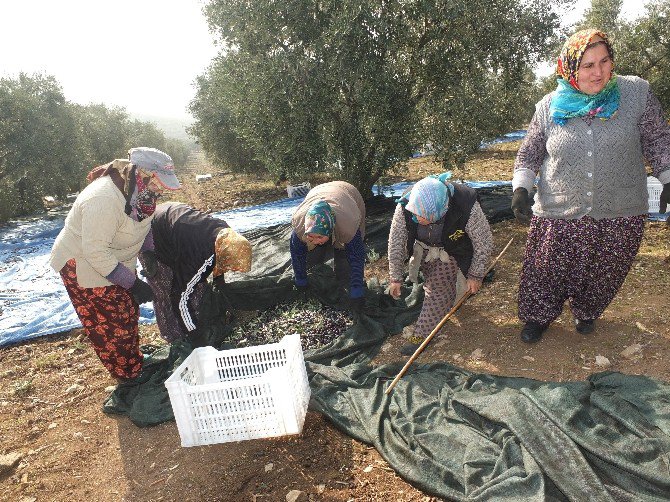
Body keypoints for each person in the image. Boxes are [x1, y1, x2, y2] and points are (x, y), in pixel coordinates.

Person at [511, 29, 670, 343]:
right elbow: (530, 152)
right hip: (559, 208)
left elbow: (658, 140)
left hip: (620, 208)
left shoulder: (636, 94)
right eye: (587, 65)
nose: (598, 72)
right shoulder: (549, 106)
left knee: (605, 271)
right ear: (570, 69)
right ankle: (537, 317)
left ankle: (587, 311)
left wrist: (668, 178)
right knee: (547, 270)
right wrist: (521, 188)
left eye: (604, 61)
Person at [50, 147, 180, 380]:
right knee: (112, 323)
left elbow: (144, 223)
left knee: (128, 311)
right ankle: (128, 375)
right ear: (142, 173)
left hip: (111, 257)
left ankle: (133, 360)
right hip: (82, 263)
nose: (160, 189)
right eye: (157, 182)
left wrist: (149, 253)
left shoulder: (140, 192)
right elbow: (96, 252)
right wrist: (133, 284)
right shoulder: (103, 199)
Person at [387, 173, 493, 355]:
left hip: (453, 248)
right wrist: (396, 277)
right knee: (433, 280)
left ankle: (420, 337)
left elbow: (484, 242)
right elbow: (396, 242)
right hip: (425, 248)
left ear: (442, 211)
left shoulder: (466, 205)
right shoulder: (406, 204)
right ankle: (444, 303)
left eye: (424, 217)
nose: (417, 219)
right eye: (416, 215)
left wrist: (476, 274)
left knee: (436, 289)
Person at [139, 202, 252, 346]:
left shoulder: (225, 232)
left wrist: (220, 285)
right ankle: (177, 338)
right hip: (150, 234)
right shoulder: (201, 254)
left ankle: (192, 325)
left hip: (174, 223)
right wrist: (196, 337)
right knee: (166, 289)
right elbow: (180, 296)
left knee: (195, 287)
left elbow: (219, 261)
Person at [290, 181, 366, 311]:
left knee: (344, 261)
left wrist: (356, 290)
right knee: (312, 257)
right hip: (317, 192)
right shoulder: (299, 225)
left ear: (331, 230)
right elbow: (297, 254)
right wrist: (301, 280)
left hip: (348, 195)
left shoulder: (349, 225)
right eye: (311, 236)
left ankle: (344, 275)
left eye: (320, 237)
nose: (315, 240)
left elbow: (357, 258)